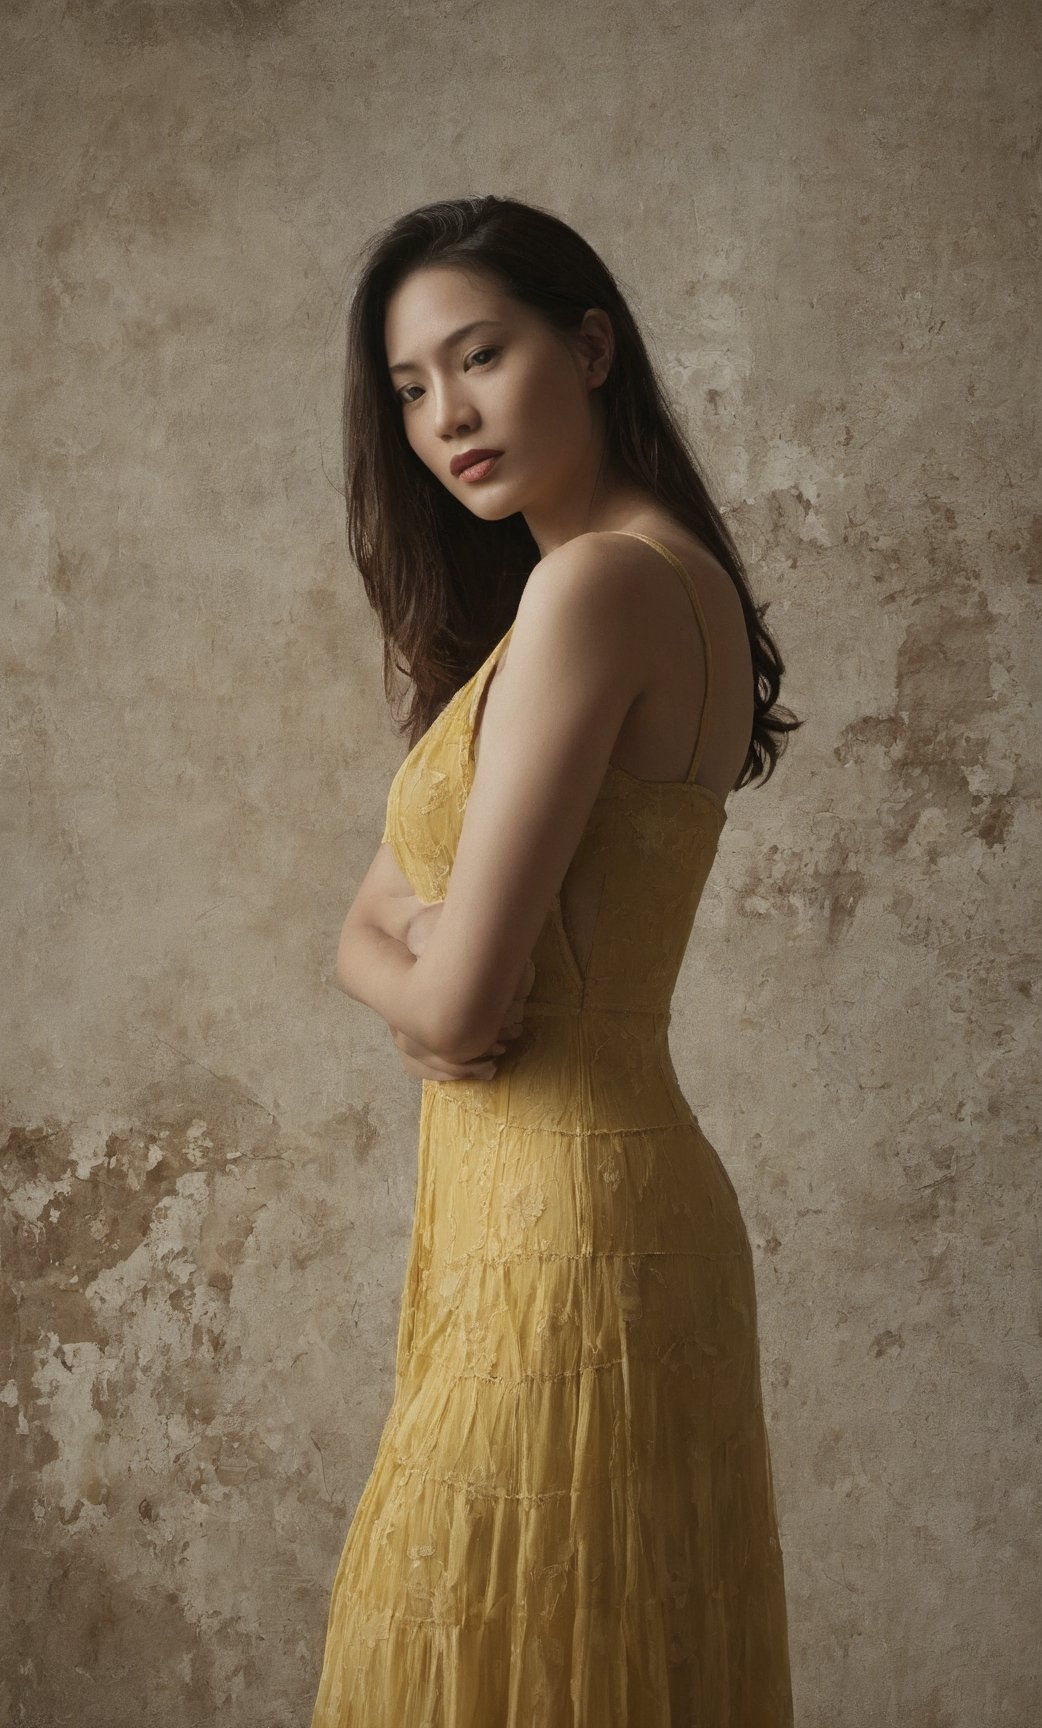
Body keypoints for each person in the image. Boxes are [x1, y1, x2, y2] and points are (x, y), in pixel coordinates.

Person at [309, 194, 801, 1727]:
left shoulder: (595, 590)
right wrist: (405, 968)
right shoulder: (632, 588)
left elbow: (446, 987)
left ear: (590, 346)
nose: (445, 415)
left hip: (563, 1230)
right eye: (408, 389)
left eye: (482, 356)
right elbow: (364, 924)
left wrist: (419, 981)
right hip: (582, 1209)